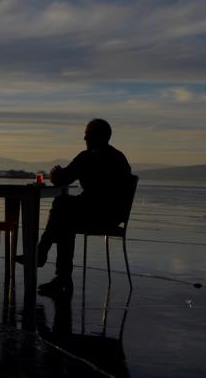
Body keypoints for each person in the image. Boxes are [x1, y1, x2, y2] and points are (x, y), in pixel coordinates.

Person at [17, 118, 132, 295]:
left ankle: (46, 259)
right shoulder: (119, 158)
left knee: (61, 206)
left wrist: (54, 174)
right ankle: (54, 269)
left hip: (96, 214)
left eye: (87, 135)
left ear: (97, 137)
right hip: (114, 216)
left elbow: (62, 179)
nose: (85, 139)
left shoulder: (87, 157)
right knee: (64, 218)